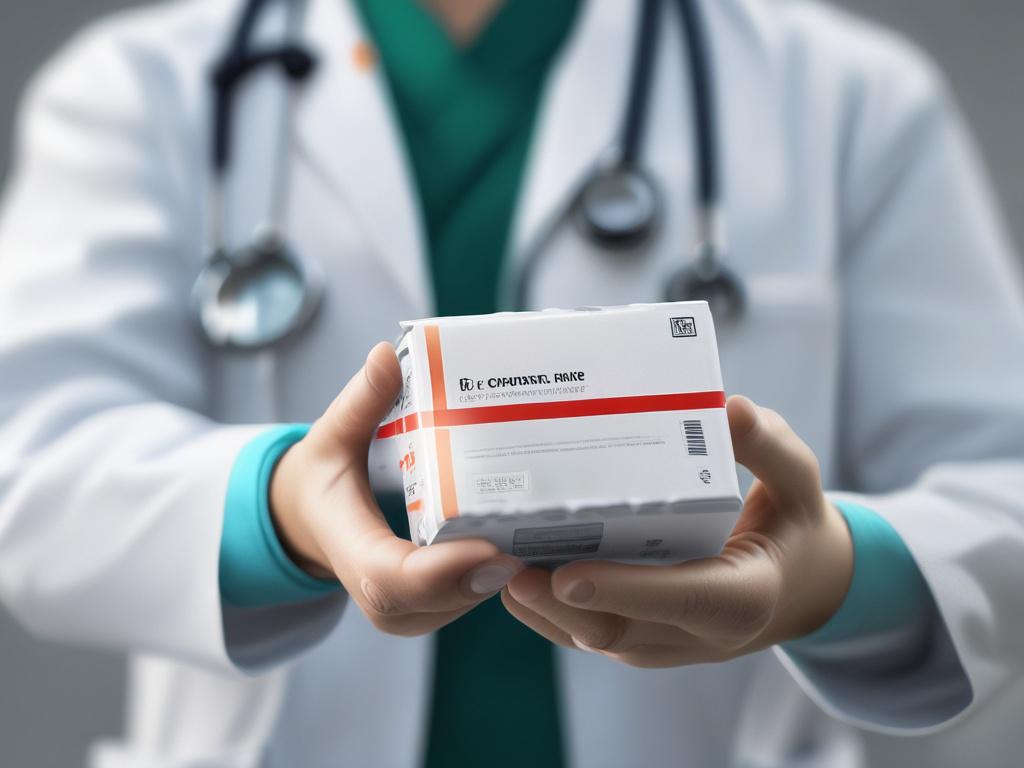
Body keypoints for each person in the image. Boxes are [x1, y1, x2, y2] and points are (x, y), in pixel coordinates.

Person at [0, 0, 1022, 766]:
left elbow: (1002, 490)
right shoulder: (141, 89)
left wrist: (834, 577)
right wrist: (282, 511)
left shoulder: (847, 96)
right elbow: (32, 468)